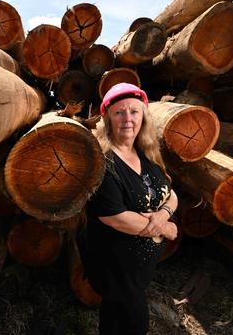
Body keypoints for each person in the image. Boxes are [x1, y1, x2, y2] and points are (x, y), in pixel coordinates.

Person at [84, 82, 179, 335]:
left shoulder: (146, 153)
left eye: (134, 112)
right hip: (115, 267)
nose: (128, 118)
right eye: (119, 112)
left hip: (137, 270)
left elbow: (171, 194)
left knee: (114, 320)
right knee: (135, 325)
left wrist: (163, 213)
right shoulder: (103, 161)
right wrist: (165, 228)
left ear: (143, 117)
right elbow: (115, 218)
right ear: (108, 118)